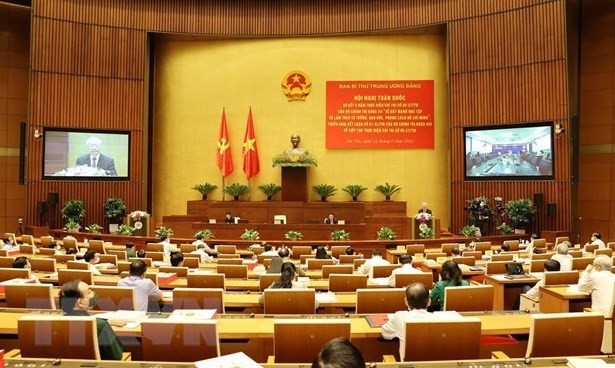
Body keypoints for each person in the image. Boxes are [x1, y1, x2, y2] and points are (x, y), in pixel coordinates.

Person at [59, 279, 125, 360]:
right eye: (89, 292)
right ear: (79, 303)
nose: (93, 293)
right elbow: (116, 356)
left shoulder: (56, 323)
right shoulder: (99, 325)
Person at [381, 283, 435, 361]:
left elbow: (385, 333)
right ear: (429, 302)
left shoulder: (399, 317)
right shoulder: (438, 319)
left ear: (406, 301)